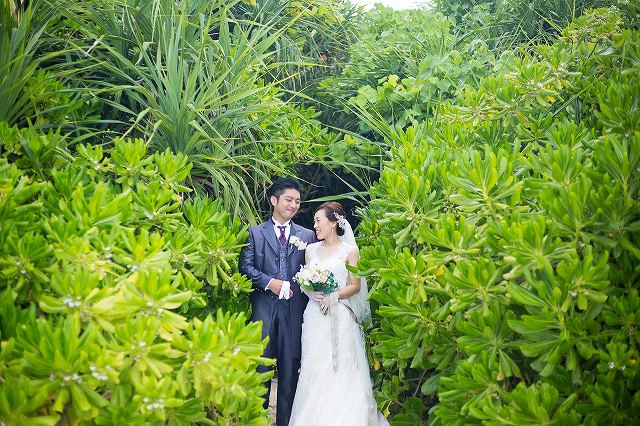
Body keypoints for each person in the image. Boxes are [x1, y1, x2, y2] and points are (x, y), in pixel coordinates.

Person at [289, 201, 388, 426]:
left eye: (318, 221)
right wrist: (311, 292)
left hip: (340, 316)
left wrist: (334, 296)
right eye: (314, 221)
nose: (315, 226)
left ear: (333, 223)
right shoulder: (311, 250)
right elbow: (306, 279)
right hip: (314, 316)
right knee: (314, 366)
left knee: (342, 367)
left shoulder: (350, 251)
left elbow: (356, 285)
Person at [239, 177, 316, 426]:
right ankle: (256, 420)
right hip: (263, 309)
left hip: (295, 312)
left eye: (297, 201)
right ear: (274, 200)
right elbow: (245, 267)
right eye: (289, 200)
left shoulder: (307, 235)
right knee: (260, 370)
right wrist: (269, 282)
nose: (293, 205)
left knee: (290, 373)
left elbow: (316, 270)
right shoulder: (254, 233)